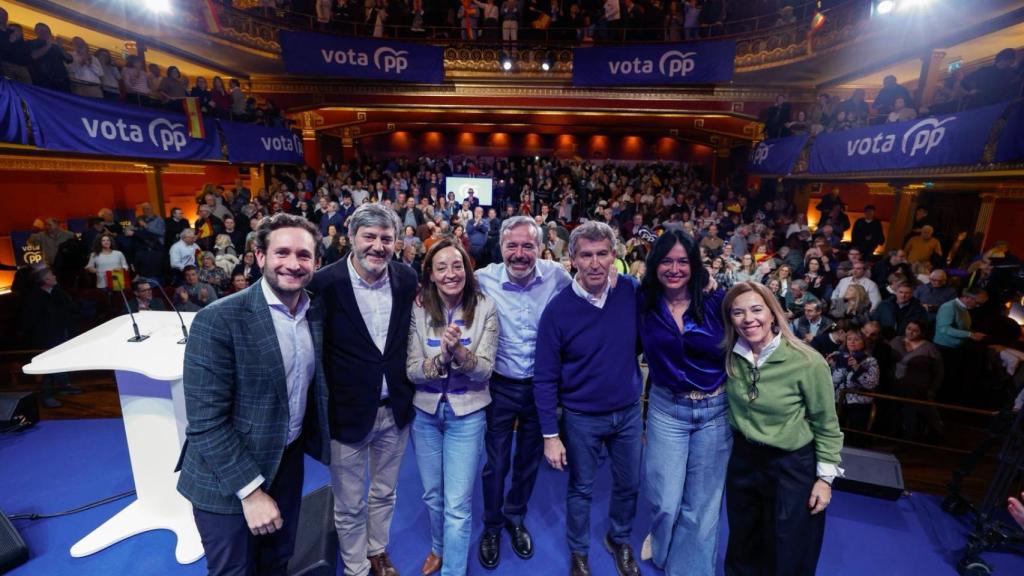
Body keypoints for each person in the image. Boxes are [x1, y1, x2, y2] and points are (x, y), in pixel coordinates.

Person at [176, 214, 331, 576]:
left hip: (288, 463)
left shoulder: (316, 311)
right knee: (236, 570)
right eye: (282, 253)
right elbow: (204, 424)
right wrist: (251, 492)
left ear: (316, 263)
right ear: (260, 257)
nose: (293, 264)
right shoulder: (219, 320)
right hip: (225, 478)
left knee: (277, 562)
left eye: (304, 256)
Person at [308, 203, 418, 576]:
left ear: (396, 242)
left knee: (386, 492)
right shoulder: (323, 283)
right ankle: (356, 566)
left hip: (396, 409)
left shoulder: (406, 278)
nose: (378, 246)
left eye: (386, 238)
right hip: (346, 412)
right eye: (369, 237)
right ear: (351, 238)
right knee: (350, 501)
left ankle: (377, 550)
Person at [535, 221, 643, 576]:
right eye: (586, 255)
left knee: (629, 484)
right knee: (581, 488)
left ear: (614, 256)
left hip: (628, 413)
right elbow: (545, 377)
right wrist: (550, 435)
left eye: (602, 254)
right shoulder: (557, 310)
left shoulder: (630, 290)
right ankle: (579, 552)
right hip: (581, 417)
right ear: (572, 260)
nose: (595, 263)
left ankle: (619, 538)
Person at [721, 281, 843, 576]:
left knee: (790, 546)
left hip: (792, 465)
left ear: (773, 313)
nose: (748, 319)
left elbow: (827, 424)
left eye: (756, 309)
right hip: (743, 461)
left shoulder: (807, 361)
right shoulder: (728, 356)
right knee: (743, 541)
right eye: (738, 313)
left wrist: (825, 481)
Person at [475, 216, 573, 570]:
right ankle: (491, 524)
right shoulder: (482, 279)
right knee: (495, 464)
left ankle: (515, 517)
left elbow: (592, 292)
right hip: (498, 386)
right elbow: (444, 292)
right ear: (500, 248)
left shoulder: (558, 277)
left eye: (527, 246)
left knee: (528, 462)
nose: (520, 253)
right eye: (512, 246)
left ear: (541, 247)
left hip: (541, 389)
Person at [638, 230, 729, 576]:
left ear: (694, 265)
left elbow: (757, 325)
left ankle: (688, 568)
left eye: (682, 261)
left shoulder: (716, 300)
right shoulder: (642, 300)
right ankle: (661, 544)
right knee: (664, 500)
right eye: (666, 260)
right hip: (666, 408)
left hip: (715, 410)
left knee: (702, 505)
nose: (674, 268)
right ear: (655, 264)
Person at [407, 239, 499, 576]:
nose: (451, 273)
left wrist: (459, 353)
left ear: (467, 269)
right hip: (426, 414)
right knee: (433, 496)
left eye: (457, 266)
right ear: (430, 274)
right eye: (442, 267)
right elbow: (413, 371)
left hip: (468, 414)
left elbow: (485, 369)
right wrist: (441, 357)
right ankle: (439, 547)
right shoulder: (417, 307)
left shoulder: (485, 306)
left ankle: (453, 570)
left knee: (458, 505)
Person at [19, 267, 78, 407]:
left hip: (61, 333)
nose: (55, 276)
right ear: (45, 280)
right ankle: (47, 395)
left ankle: (64, 386)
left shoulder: (57, 292)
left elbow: (68, 309)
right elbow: (30, 321)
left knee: (63, 360)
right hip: (45, 338)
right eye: (52, 274)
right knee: (48, 365)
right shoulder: (34, 297)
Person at [829, 329, 880, 431]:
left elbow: (871, 384)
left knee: (855, 433)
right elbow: (831, 381)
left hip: (859, 402)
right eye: (849, 339)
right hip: (837, 400)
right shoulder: (838, 357)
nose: (852, 342)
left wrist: (857, 368)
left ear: (864, 343)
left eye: (856, 340)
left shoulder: (870, 361)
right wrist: (827, 365)